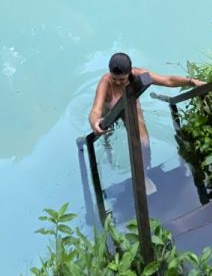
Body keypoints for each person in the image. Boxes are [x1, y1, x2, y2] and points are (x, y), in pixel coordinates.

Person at [88, 52, 205, 192]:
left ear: (130, 72)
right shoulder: (105, 82)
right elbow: (95, 110)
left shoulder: (138, 75)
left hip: (131, 107)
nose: (118, 82)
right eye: (115, 78)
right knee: (105, 136)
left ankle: (143, 175)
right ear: (110, 73)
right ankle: (108, 149)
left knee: (143, 142)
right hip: (110, 113)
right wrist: (95, 122)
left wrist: (191, 81)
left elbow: (167, 80)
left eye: (122, 79)